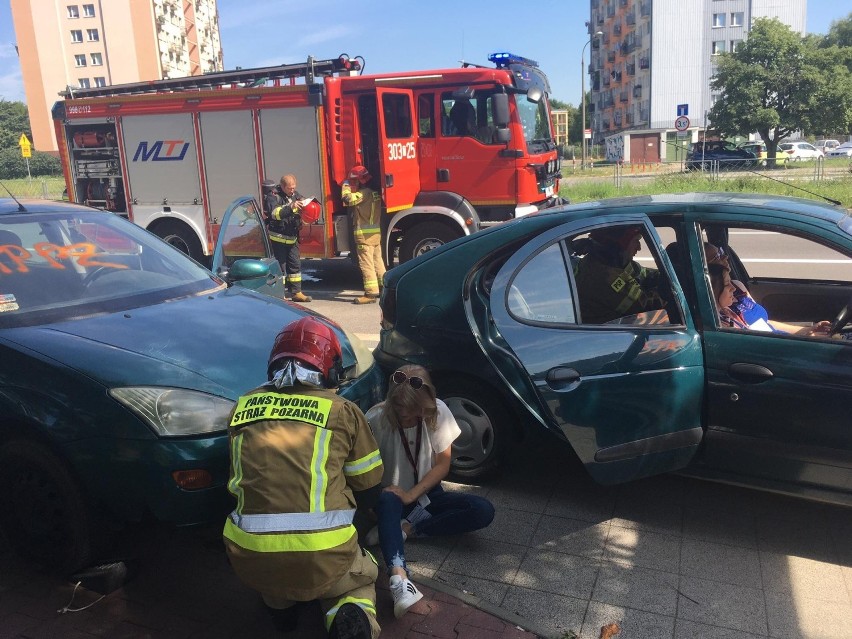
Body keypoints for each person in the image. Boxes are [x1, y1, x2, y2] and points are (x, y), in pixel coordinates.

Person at [222, 317, 384, 639]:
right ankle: (349, 612)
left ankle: (281, 614)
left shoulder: (243, 407)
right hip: (323, 553)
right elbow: (369, 484)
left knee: (275, 581)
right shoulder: (341, 410)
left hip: (249, 551)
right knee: (357, 579)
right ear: (331, 368)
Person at [363, 365, 495, 618]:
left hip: (425, 493)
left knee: (483, 510)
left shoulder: (438, 410)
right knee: (390, 498)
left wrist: (412, 495)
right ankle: (400, 579)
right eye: (407, 416)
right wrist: (369, 502)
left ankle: (406, 529)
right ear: (392, 405)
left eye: (420, 413)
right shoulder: (375, 419)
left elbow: (443, 464)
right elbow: (361, 468)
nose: (415, 419)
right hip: (389, 495)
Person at [705, 244, 830, 336]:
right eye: (717, 257)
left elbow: (764, 323)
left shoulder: (737, 289)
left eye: (721, 252)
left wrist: (806, 330)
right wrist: (806, 340)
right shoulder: (720, 323)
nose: (725, 257)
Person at [574, 225, 667, 324]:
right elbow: (647, 307)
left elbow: (641, 273)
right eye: (636, 240)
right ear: (619, 246)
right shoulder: (604, 277)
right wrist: (670, 291)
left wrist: (663, 275)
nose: (639, 247)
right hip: (607, 334)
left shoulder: (612, 262)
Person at [341, 165, 384, 305]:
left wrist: (346, 185)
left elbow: (347, 199)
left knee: (367, 264)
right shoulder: (375, 192)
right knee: (378, 262)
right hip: (375, 234)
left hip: (364, 236)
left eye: (355, 181)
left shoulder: (364, 193)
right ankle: (384, 287)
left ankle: (370, 293)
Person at [268, 174, 312, 303]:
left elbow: (301, 200)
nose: (292, 191)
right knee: (280, 269)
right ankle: (280, 295)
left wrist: (306, 203)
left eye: (294, 188)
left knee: (295, 267)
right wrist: (291, 207)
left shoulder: (294, 194)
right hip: (278, 239)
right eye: (289, 188)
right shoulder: (273, 196)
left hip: (292, 238)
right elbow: (274, 213)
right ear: (282, 186)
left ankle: (297, 293)